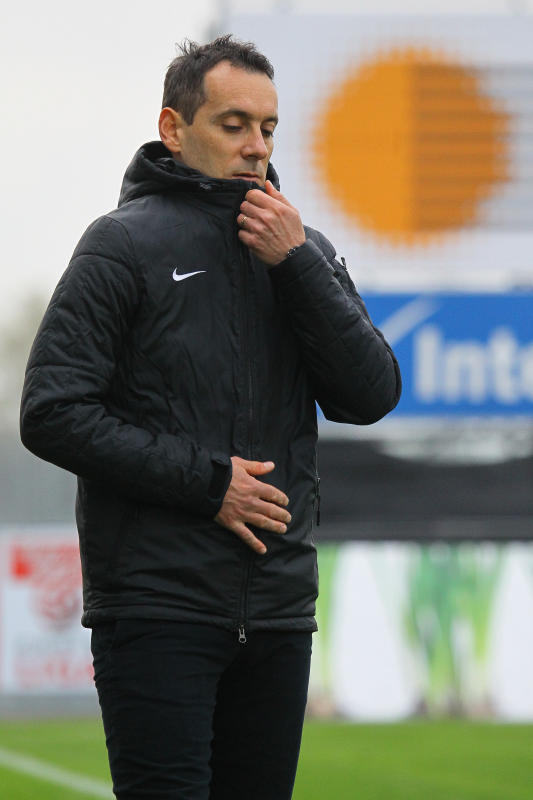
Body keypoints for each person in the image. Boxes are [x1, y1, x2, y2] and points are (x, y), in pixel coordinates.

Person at [20, 35, 401, 800]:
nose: (255, 145)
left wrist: (297, 264)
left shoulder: (304, 251)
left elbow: (370, 395)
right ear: (173, 127)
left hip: (280, 610)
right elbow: (51, 411)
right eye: (233, 124)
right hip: (157, 606)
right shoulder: (120, 244)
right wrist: (208, 484)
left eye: (267, 128)